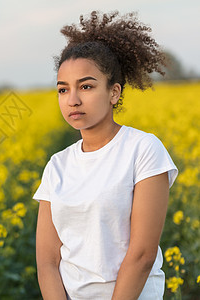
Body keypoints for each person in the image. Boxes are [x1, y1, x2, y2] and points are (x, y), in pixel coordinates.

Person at [33, 11, 178, 300]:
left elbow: (142, 256)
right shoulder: (57, 165)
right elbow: (47, 260)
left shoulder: (143, 150)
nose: (73, 99)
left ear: (114, 92)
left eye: (86, 86)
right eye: (63, 89)